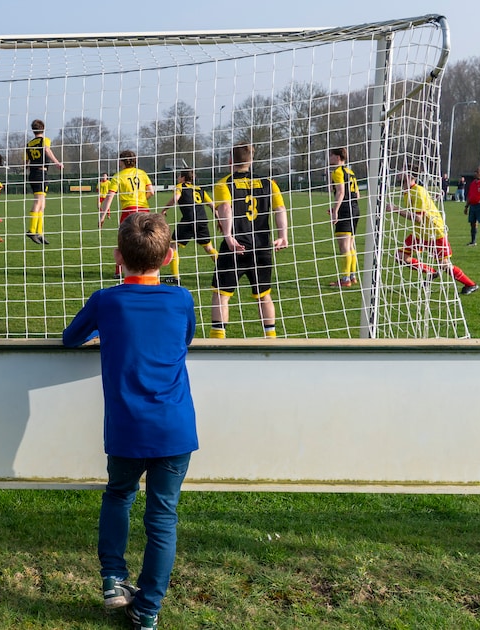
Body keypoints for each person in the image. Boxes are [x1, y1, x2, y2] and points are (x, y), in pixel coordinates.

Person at [61, 212, 198, 630]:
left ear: (118, 256)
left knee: (119, 495)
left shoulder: (107, 300)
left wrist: (108, 335)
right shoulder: (182, 299)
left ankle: (113, 579)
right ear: (169, 257)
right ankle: (148, 609)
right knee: (162, 517)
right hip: (174, 427)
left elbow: (70, 338)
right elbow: (184, 339)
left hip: (126, 427)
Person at [209, 143, 288, 339]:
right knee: (264, 295)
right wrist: (283, 236)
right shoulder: (269, 183)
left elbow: (225, 208)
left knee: (221, 294)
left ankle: (218, 340)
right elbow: (280, 209)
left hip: (235, 246)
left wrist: (228, 236)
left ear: (230, 160)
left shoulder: (224, 184)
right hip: (261, 247)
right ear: (251, 160)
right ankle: (270, 338)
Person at [388, 171, 479, 295]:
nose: (399, 173)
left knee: (444, 265)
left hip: (434, 232)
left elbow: (418, 218)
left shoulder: (417, 192)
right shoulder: (408, 191)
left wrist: (395, 209)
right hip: (420, 232)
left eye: (402, 171)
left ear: (410, 175)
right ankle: (431, 272)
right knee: (400, 256)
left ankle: (471, 284)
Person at [100, 151, 155, 278]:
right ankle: (147, 270)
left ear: (122, 161)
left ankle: (118, 271)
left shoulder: (118, 176)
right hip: (144, 210)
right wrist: (143, 199)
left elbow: (110, 196)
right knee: (145, 240)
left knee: (124, 240)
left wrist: (102, 215)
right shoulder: (142, 173)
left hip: (129, 211)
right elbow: (151, 192)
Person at [159, 170, 218, 285]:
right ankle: (225, 270)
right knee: (209, 248)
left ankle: (175, 277)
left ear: (183, 177)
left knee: (173, 246)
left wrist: (165, 209)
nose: (177, 178)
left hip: (189, 220)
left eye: (179, 176)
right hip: (202, 221)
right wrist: (219, 219)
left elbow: (176, 198)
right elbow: (212, 205)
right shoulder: (200, 189)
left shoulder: (180, 186)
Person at [25, 119, 64, 245]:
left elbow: (25, 162)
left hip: (34, 174)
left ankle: (40, 232)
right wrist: (57, 162)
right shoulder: (44, 140)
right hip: (40, 173)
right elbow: (47, 150)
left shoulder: (29, 144)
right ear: (43, 128)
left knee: (42, 204)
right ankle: (32, 230)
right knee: (38, 202)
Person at [328, 148, 362, 287]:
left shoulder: (337, 172)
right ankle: (352, 276)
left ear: (337, 157)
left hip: (345, 210)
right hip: (355, 209)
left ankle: (345, 279)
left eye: (331, 155)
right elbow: (357, 194)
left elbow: (341, 192)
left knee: (344, 246)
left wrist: (336, 210)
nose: (329, 158)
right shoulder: (350, 172)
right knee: (351, 244)